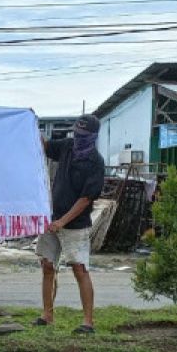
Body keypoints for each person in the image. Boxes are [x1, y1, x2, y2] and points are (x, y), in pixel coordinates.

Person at [34, 114, 105, 334]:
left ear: (92, 136)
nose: (78, 138)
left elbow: (86, 199)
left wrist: (63, 221)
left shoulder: (95, 161)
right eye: (76, 133)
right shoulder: (66, 147)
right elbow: (44, 146)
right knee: (47, 265)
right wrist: (30, 123)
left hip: (75, 225)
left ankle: (88, 322)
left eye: (82, 135)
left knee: (79, 268)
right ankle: (47, 315)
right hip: (52, 218)